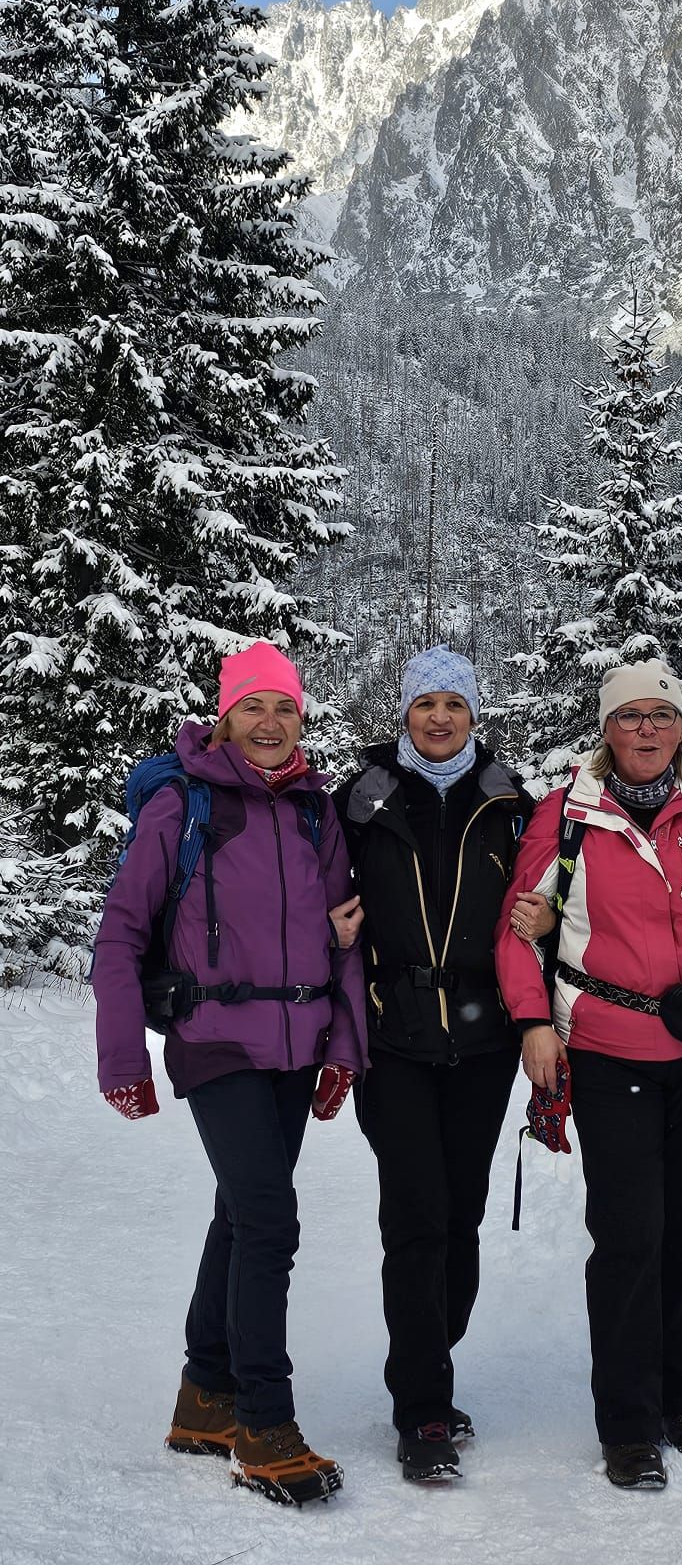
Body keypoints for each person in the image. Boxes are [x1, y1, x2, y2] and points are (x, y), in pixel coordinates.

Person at [495, 659, 682, 1492]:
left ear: (680, 727)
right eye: (629, 716)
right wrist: (533, 1023)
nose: (646, 729)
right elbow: (517, 931)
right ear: (606, 728)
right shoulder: (568, 816)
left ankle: (681, 1400)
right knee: (630, 1237)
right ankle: (628, 1426)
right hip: (610, 1051)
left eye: (661, 715)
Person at [92, 641, 368, 1509]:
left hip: (297, 1043)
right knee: (270, 1222)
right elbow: (119, 934)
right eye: (254, 706)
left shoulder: (315, 812)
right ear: (225, 717)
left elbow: (345, 934)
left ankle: (204, 1397)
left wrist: (343, 1047)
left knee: (240, 1217)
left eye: (285, 707)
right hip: (213, 1037)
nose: (271, 722)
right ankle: (264, 1423)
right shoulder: (183, 804)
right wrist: (122, 1056)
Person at [334, 646, 534, 1483]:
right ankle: (421, 1407)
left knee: (461, 1217)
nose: (440, 717)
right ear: (405, 714)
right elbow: (311, 892)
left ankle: (431, 1358)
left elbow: (556, 899)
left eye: (455, 704)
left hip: (484, 1041)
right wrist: (330, 933)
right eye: (426, 704)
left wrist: (545, 920)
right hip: (396, 1037)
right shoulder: (362, 799)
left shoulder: (509, 801)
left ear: (474, 715)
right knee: (416, 1216)